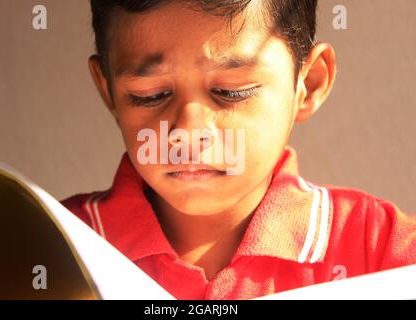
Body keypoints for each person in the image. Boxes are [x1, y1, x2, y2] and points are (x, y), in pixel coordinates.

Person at [61, 0, 416, 299]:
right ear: (108, 93)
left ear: (306, 84)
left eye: (231, 91)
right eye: (150, 95)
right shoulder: (51, 243)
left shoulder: (380, 249)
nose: (188, 132)